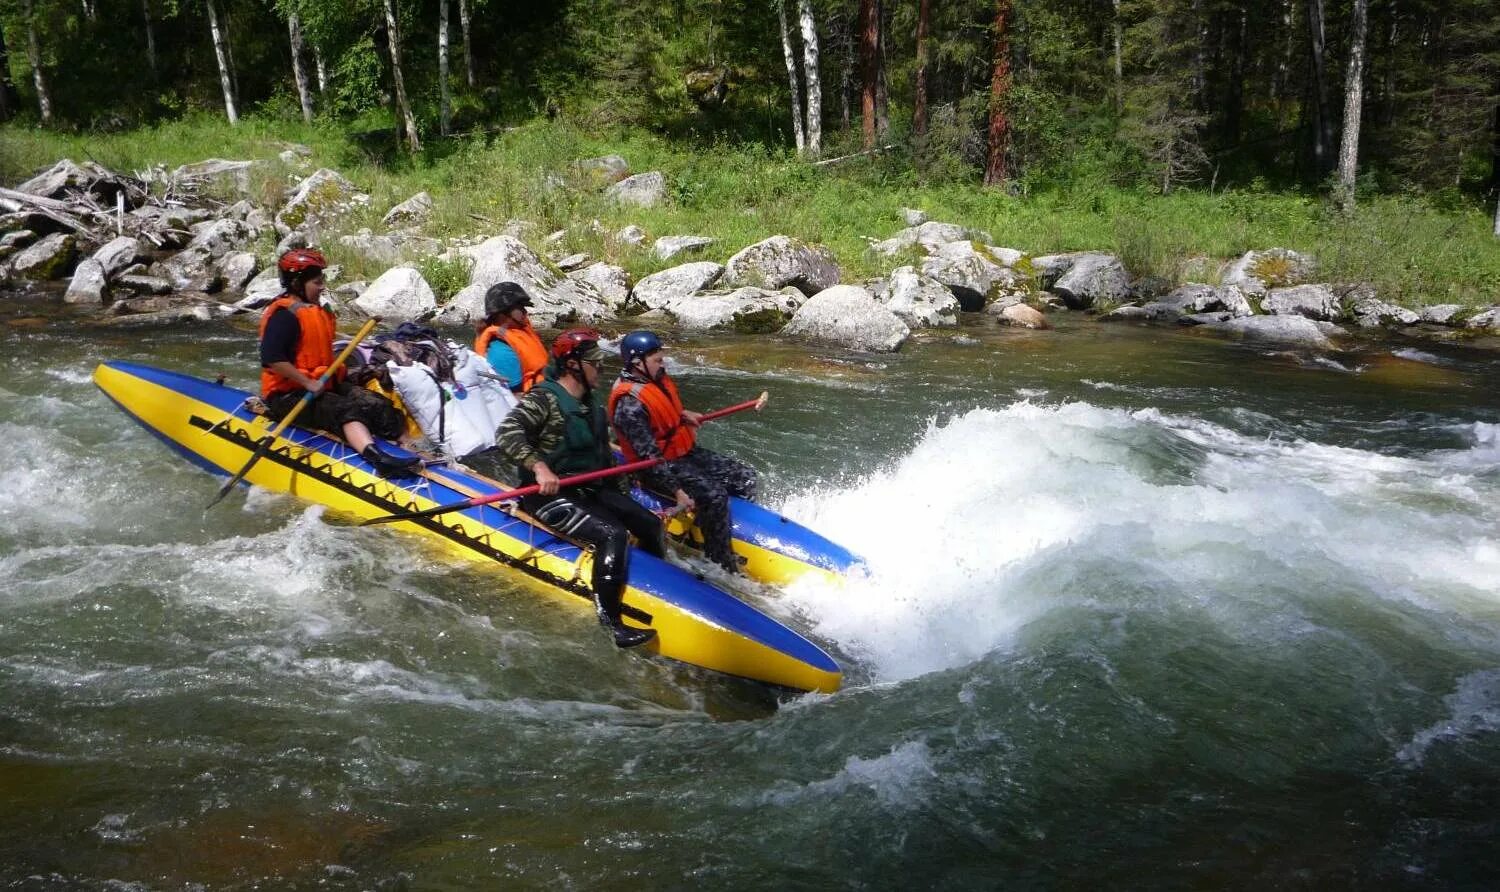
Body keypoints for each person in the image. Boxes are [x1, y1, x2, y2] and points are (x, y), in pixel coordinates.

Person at [490, 329, 663, 649]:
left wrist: (627, 492)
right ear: (573, 366)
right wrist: (539, 468)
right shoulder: (545, 398)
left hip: (588, 490)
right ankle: (612, 624)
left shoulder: (592, 407)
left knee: (649, 523)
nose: (600, 369)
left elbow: (603, 458)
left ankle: (659, 585)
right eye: (594, 363)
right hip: (546, 496)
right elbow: (507, 432)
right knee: (613, 534)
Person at [258, 248, 420, 478]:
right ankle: (377, 458)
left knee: (376, 402)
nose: (322, 286)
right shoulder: (284, 317)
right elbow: (272, 359)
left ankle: (407, 446)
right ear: (296, 284)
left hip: (322, 384)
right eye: (317, 282)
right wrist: (307, 382)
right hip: (288, 395)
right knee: (346, 409)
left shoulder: (316, 311)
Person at [607, 330, 757, 574]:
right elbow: (649, 458)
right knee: (715, 494)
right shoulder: (629, 405)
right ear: (637, 364)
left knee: (744, 477)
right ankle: (719, 562)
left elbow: (663, 411)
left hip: (684, 452)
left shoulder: (656, 378)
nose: (662, 362)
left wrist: (682, 413)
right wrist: (677, 491)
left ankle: (728, 529)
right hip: (659, 466)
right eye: (657, 359)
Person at [474, 282, 548, 393]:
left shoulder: (519, 329)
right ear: (501, 315)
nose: (525, 312)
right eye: (520, 308)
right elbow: (513, 397)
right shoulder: (500, 351)